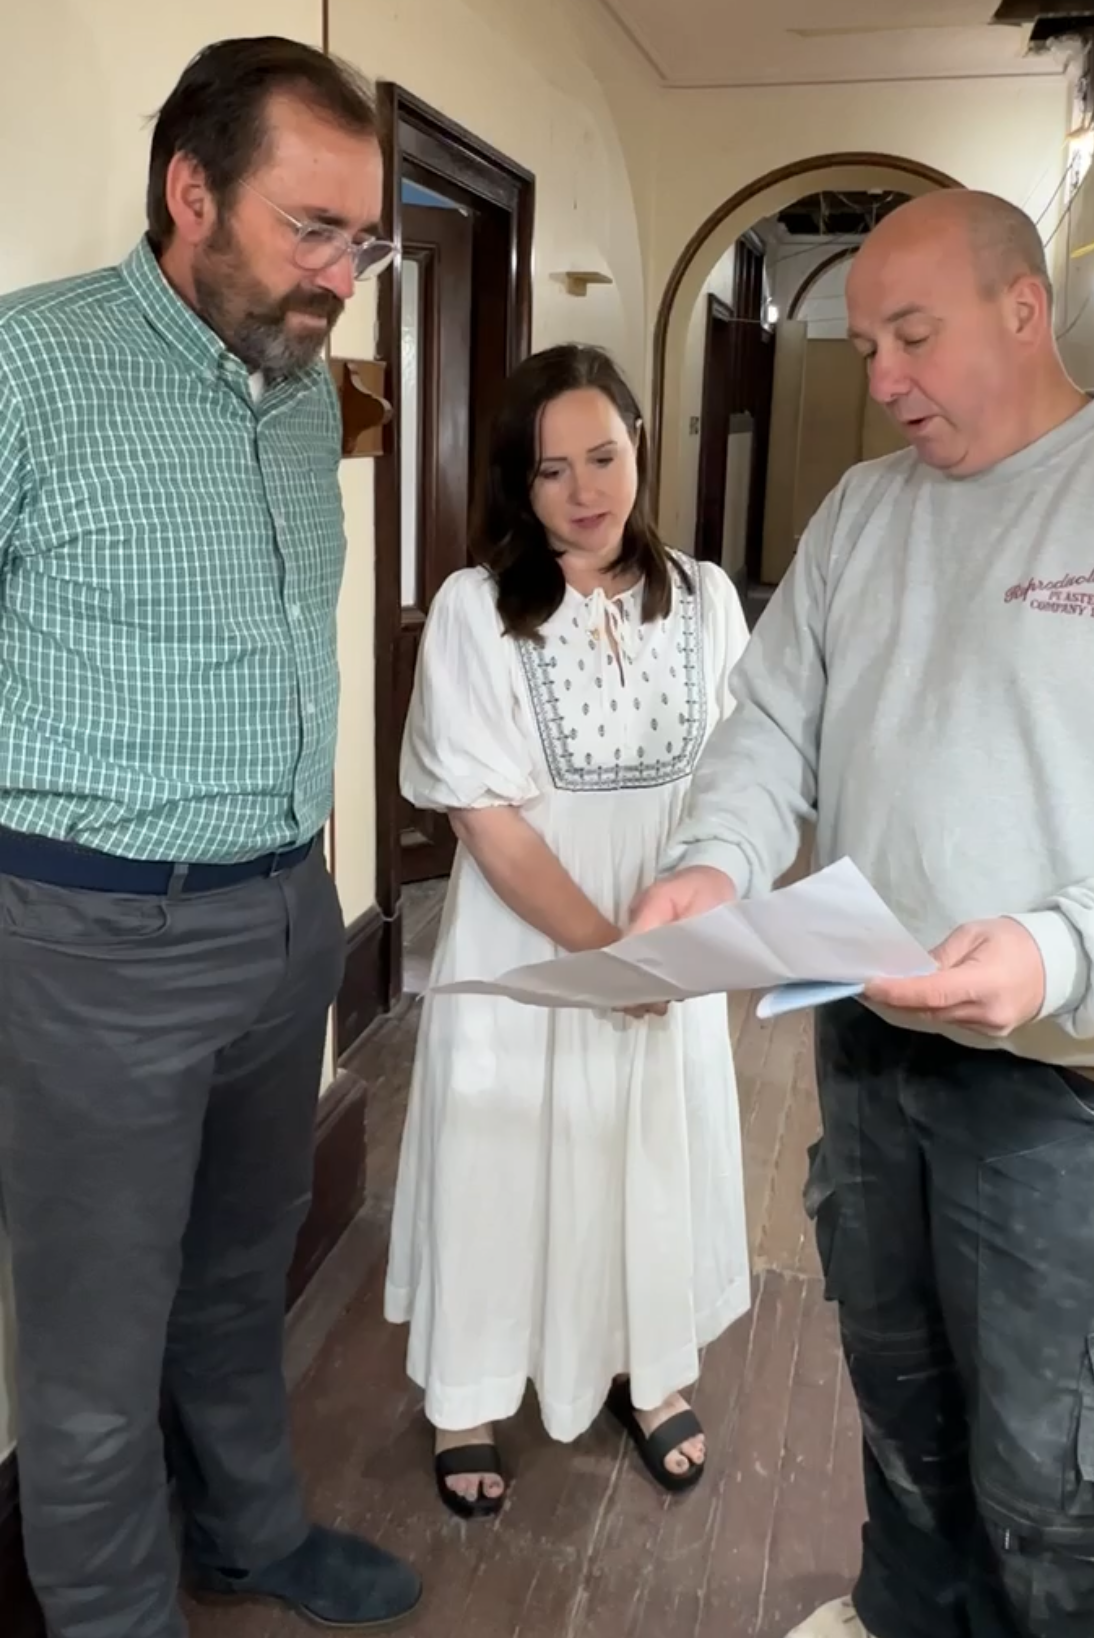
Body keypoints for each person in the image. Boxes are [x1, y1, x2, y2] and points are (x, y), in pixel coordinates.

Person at [631, 189, 1094, 1638]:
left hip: (1084, 1102)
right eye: (866, 343)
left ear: (1022, 307)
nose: (879, 379)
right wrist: (717, 864)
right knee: (901, 1415)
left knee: (1059, 1496)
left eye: (910, 336)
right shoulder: (863, 512)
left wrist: (1054, 949)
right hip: (868, 1052)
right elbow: (770, 727)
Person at [0, 36, 421, 1638]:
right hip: (88, 937)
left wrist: (305, 899)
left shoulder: (310, 398)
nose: (342, 278)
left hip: (282, 916)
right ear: (191, 191)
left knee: (244, 1275)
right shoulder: (27, 369)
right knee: (95, 1357)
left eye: (366, 242)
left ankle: (247, 1531)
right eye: (314, 230)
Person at [384, 344, 752, 1517]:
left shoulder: (704, 599)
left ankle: (646, 1370)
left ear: (641, 445)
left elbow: (744, 776)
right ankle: (470, 1392)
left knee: (643, 1147)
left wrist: (684, 928)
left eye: (605, 455)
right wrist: (608, 954)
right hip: (534, 944)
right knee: (505, 1153)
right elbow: (485, 821)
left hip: (667, 929)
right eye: (552, 470)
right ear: (517, 483)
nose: (586, 490)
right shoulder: (475, 610)